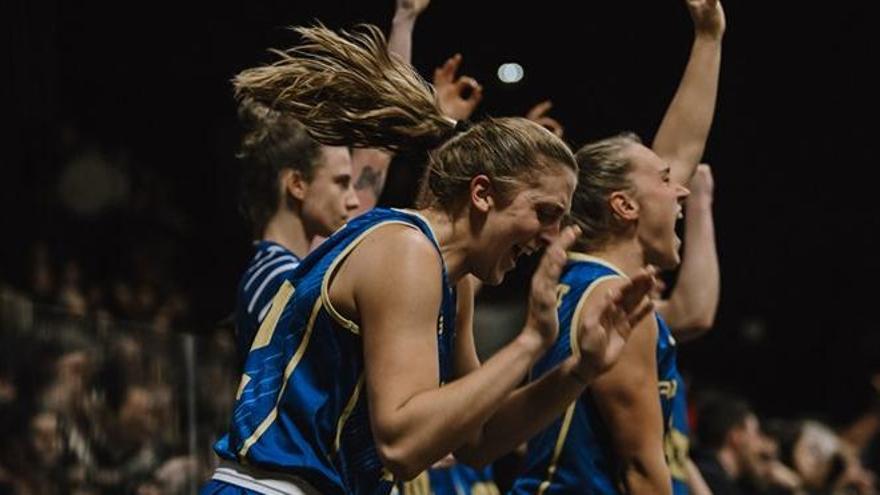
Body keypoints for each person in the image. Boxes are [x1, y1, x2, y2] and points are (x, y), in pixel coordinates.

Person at [202, 24, 657, 495]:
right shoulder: (406, 250)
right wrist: (531, 342)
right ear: (481, 194)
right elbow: (401, 446)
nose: (550, 237)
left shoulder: (448, 275)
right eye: (545, 213)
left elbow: (477, 439)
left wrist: (579, 369)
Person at [511, 0, 725, 493]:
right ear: (625, 207)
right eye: (666, 181)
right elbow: (642, 472)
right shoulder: (617, 305)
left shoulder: (578, 282)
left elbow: (678, 155)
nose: (682, 190)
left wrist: (708, 38)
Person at [232, 0, 433, 365]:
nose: (355, 199)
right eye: (342, 182)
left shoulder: (300, 268)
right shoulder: (278, 281)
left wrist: (404, 21)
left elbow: (376, 152)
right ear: (297, 185)